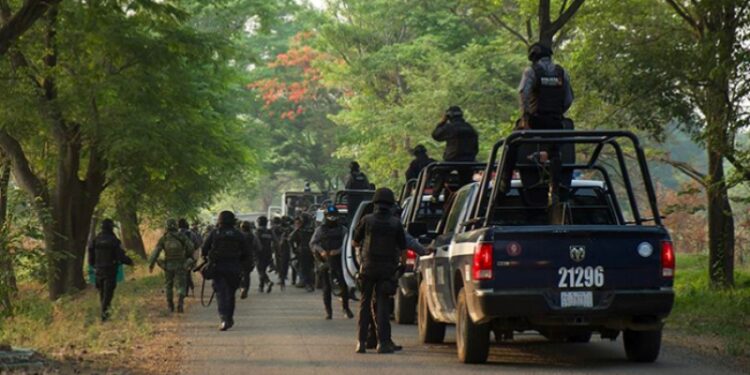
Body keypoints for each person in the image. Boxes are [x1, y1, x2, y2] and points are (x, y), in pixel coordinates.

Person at [351, 188, 406, 354]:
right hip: (387, 270)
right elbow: (403, 248)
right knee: (382, 304)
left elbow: (354, 242)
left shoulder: (367, 220)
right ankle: (383, 343)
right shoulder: (396, 223)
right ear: (391, 204)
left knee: (364, 304)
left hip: (367, 268)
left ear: (375, 203)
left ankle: (361, 342)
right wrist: (401, 266)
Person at [201, 211, 253, 331]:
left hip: (218, 267)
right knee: (230, 294)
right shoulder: (238, 234)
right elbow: (247, 252)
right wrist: (243, 266)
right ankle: (229, 318)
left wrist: (206, 260)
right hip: (234, 267)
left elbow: (204, 249)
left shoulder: (215, 233)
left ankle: (224, 319)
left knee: (220, 293)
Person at [310, 205, 354, 320]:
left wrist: (338, 251)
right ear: (325, 216)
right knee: (326, 287)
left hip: (339, 260)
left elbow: (347, 244)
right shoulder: (320, 230)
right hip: (325, 261)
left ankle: (346, 308)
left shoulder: (343, 229)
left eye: (334, 215)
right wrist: (321, 251)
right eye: (330, 216)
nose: (332, 218)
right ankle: (328, 312)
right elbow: (313, 243)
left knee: (343, 285)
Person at [518, 42, 574, 130]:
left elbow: (524, 95)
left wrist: (526, 118)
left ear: (533, 57)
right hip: (557, 123)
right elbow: (569, 100)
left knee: (515, 138)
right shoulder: (562, 73)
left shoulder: (530, 71)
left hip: (535, 124)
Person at [88, 219, 134, 322]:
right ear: (111, 227)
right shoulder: (114, 240)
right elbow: (120, 256)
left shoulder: (95, 240)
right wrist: (130, 261)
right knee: (108, 294)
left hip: (99, 270)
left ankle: (105, 313)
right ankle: (104, 315)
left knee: (102, 293)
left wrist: (94, 265)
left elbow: (90, 256)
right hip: (110, 271)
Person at [431, 106, 479, 202]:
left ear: (449, 116)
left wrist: (442, 122)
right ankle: (466, 200)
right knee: (465, 185)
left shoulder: (450, 127)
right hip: (469, 161)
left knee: (440, 172)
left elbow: (435, 135)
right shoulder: (470, 128)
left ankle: (435, 195)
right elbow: (475, 147)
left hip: (452, 160)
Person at [149, 219, 195, 313]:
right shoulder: (181, 236)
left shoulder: (164, 238)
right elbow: (191, 247)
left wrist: (152, 264)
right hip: (181, 264)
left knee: (168, 285)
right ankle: (180, 304)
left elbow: (156, 252)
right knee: (181, 285)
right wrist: (188, 256)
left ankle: (170, 305)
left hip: (168, 265)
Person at [289, 213, 315, 292]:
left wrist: (294, 249)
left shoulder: (300, 230)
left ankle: (307, 284)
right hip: (311, 251)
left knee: (304, 268)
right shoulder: (312, 229)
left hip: (303, 251)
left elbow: (290, 239)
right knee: (310, 268)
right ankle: (308, 283)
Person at [178, 219, 201, 296]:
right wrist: (195, 259)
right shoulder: (191, 234)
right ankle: (187, 288)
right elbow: (197, 246)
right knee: (187, 273)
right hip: (188, 257)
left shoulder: (174, 234)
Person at [238, 220, 260, 299]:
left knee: (238, 274)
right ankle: (246, 290)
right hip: (249, 258)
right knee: (247, 274)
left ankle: (241, 288)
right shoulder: (253, 236)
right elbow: (258, 247)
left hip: (238, 258)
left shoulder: (238, 235)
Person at [255, 216, 277, 293]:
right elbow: (275, 241)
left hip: (259, 253)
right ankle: (261, 286)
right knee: (263, 270)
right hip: (268, 253)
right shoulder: (269, 232)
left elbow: (256, 243)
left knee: (260, 270)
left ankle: (267, 282)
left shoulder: (257, 232)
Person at [271, 216, 291, 290]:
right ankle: (282, 277)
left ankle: (281, 277)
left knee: (280, 263)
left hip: (279, 248)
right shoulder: (286, 228)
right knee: (284, 263)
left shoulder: (274, 229)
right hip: (285, 247)